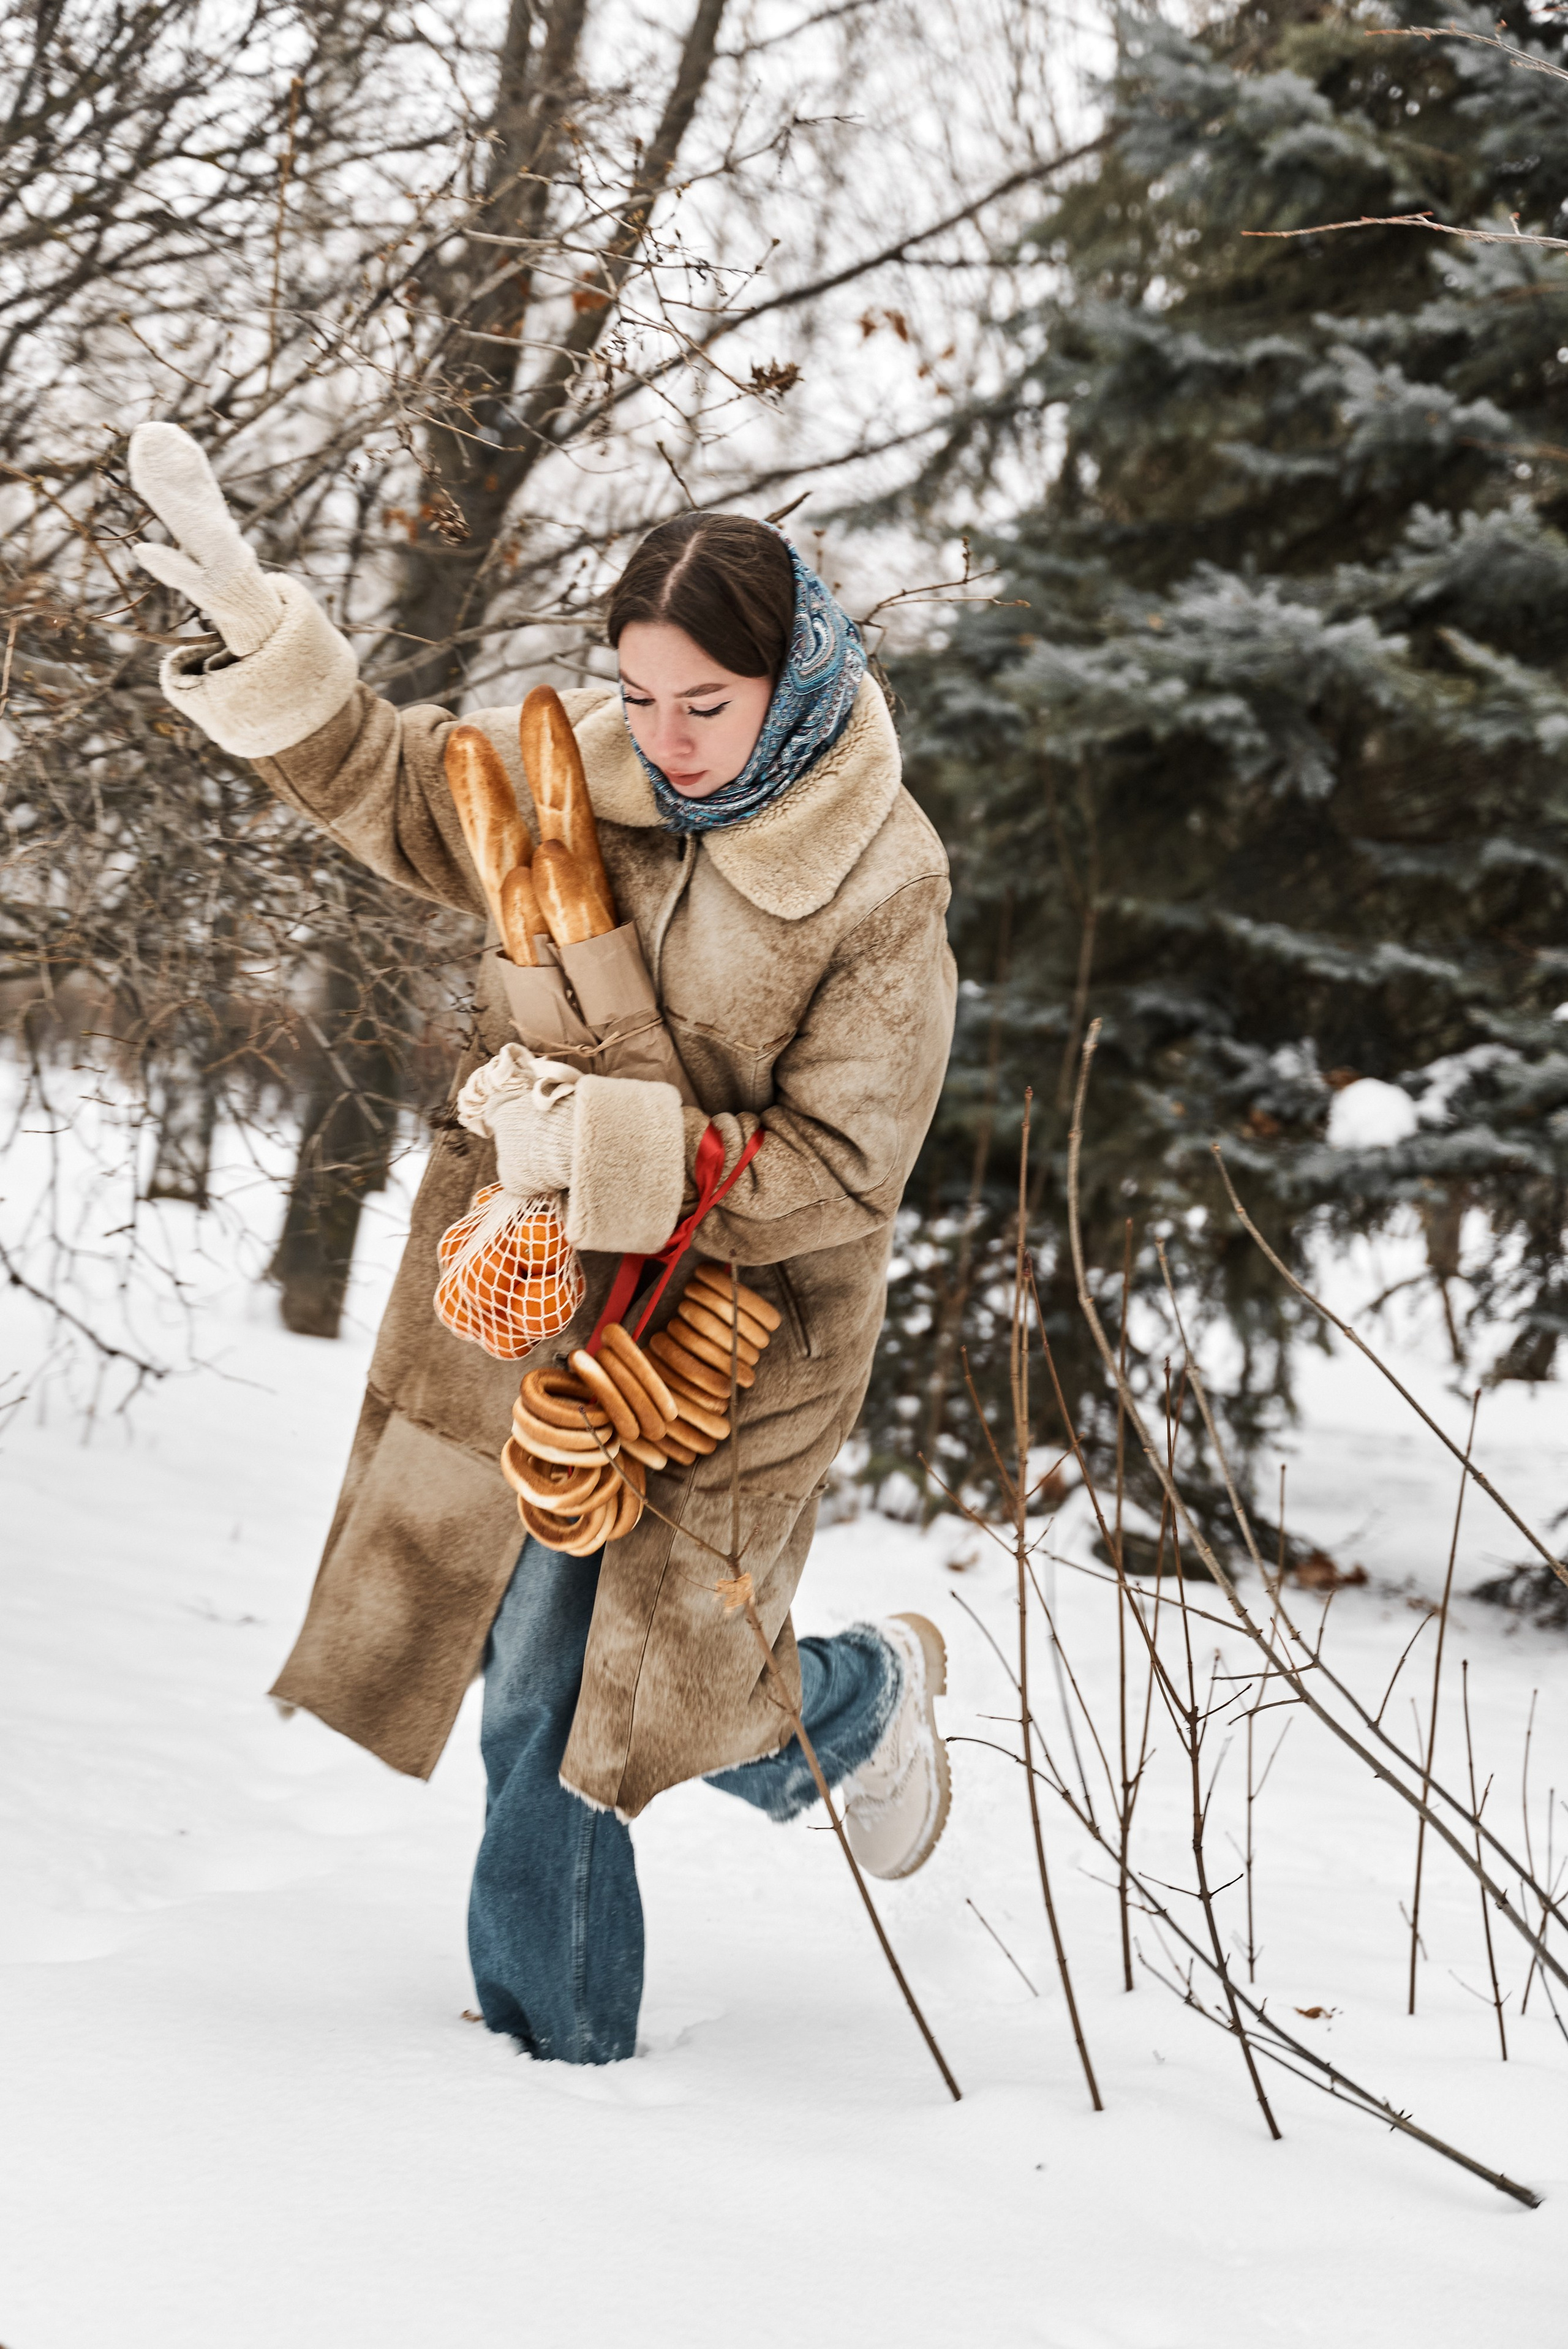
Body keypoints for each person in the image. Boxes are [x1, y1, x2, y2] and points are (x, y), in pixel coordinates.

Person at [129, 425, 959, 2065]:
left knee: (647, 1687)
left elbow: (848, 1164)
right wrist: (253, 619)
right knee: (545, 1670)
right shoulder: (585, 769)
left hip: (738, 1326)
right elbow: (386, 773)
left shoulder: (880, 882)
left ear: (791, 677)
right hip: (538, 1288)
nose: (667, 740)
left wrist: (619, 1148)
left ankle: (840, 1712)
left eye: (704, 706)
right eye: (639, 698)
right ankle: (559, 2031)